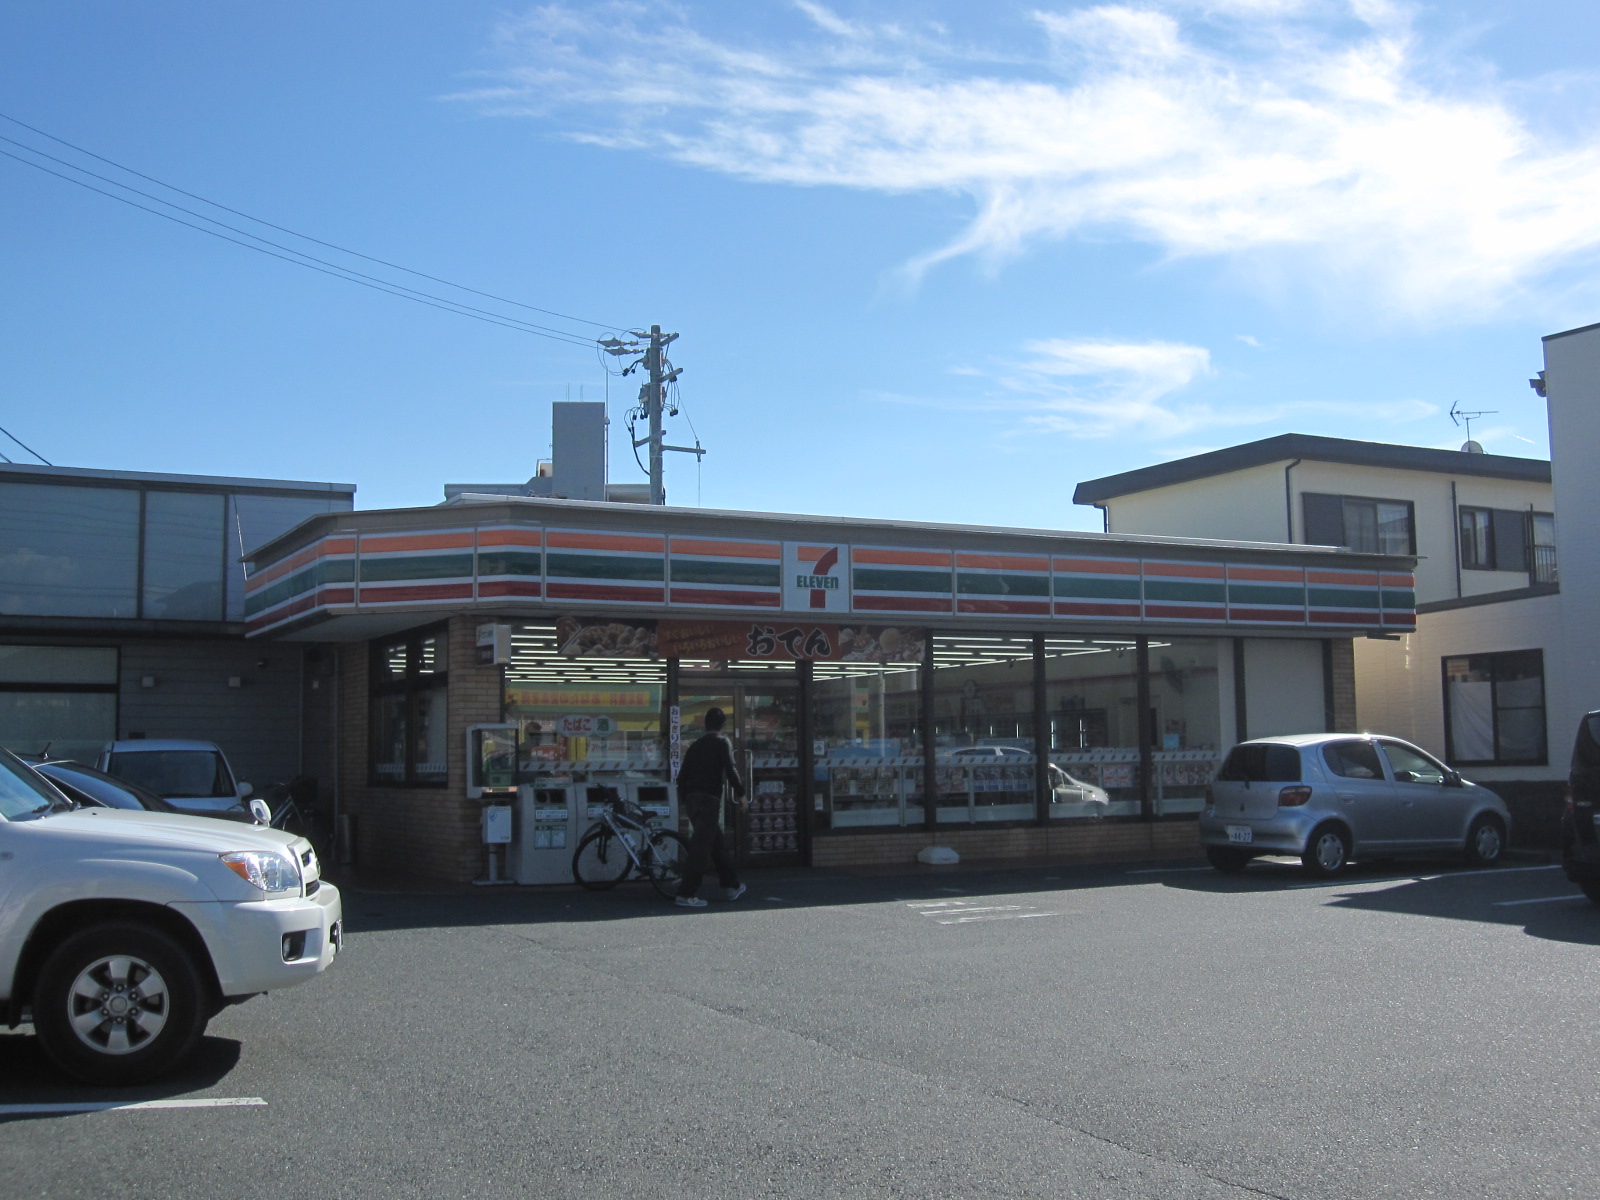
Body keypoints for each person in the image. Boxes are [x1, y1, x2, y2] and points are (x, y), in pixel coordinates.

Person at [673, 707, 747, 908]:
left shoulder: (695, 745)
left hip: (693, 801)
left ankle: (731, 886)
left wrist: (684, 801)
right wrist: (742, 795)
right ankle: (686, 894)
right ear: (723, 726)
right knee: (700, 850)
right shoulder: (723, 742)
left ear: (705, 725)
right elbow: (731, 771)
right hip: (709, 800)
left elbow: (681, 777)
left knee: (716, 844)